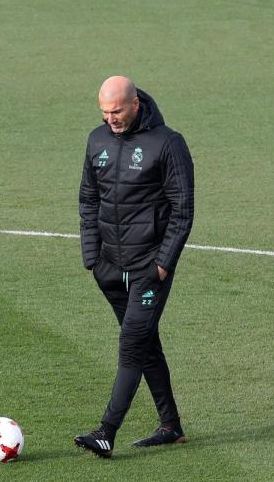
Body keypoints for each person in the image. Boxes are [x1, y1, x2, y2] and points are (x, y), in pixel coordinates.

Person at [73, 75, 195, 457]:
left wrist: (163, 263)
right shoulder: (97, 140)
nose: (111, 118)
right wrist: (92, 257)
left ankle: (106, 432)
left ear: (135, 104)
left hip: (148, 269)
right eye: (105, 112)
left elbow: (183, 208)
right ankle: (171, 425)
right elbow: (88, 199)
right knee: (145, 344)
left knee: (130, 345)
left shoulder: (168, 143)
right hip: (109, 268)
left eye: (117, 111)